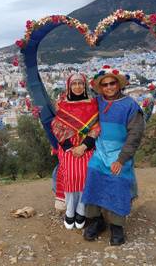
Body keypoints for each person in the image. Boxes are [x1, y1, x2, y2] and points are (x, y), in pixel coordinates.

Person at [81, 65, 145, 245]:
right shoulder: (97, 102)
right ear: (100, 87)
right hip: (101, 152)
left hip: (120, 152)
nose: (109, 87)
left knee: (118, 181)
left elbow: (134, 135)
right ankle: (96, 221)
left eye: (112, 83)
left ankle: (117, 226)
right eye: (105, 85)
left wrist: (122, 159)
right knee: (93, 176)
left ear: (118, 85)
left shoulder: (130, 105)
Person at [51, 73, 100, 229]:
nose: (77, 86)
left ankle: (81, 211)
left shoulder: (92, 104)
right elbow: (57, 127)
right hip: (68, 147)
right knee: (71, 175)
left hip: (87, 146)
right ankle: (70, 211)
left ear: (84, 86)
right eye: (74, 84)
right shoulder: (62, 105)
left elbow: (96, 127)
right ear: (69, 86)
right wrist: (70, 148)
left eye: (80, 83)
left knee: (86, 174)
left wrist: (84, 146)